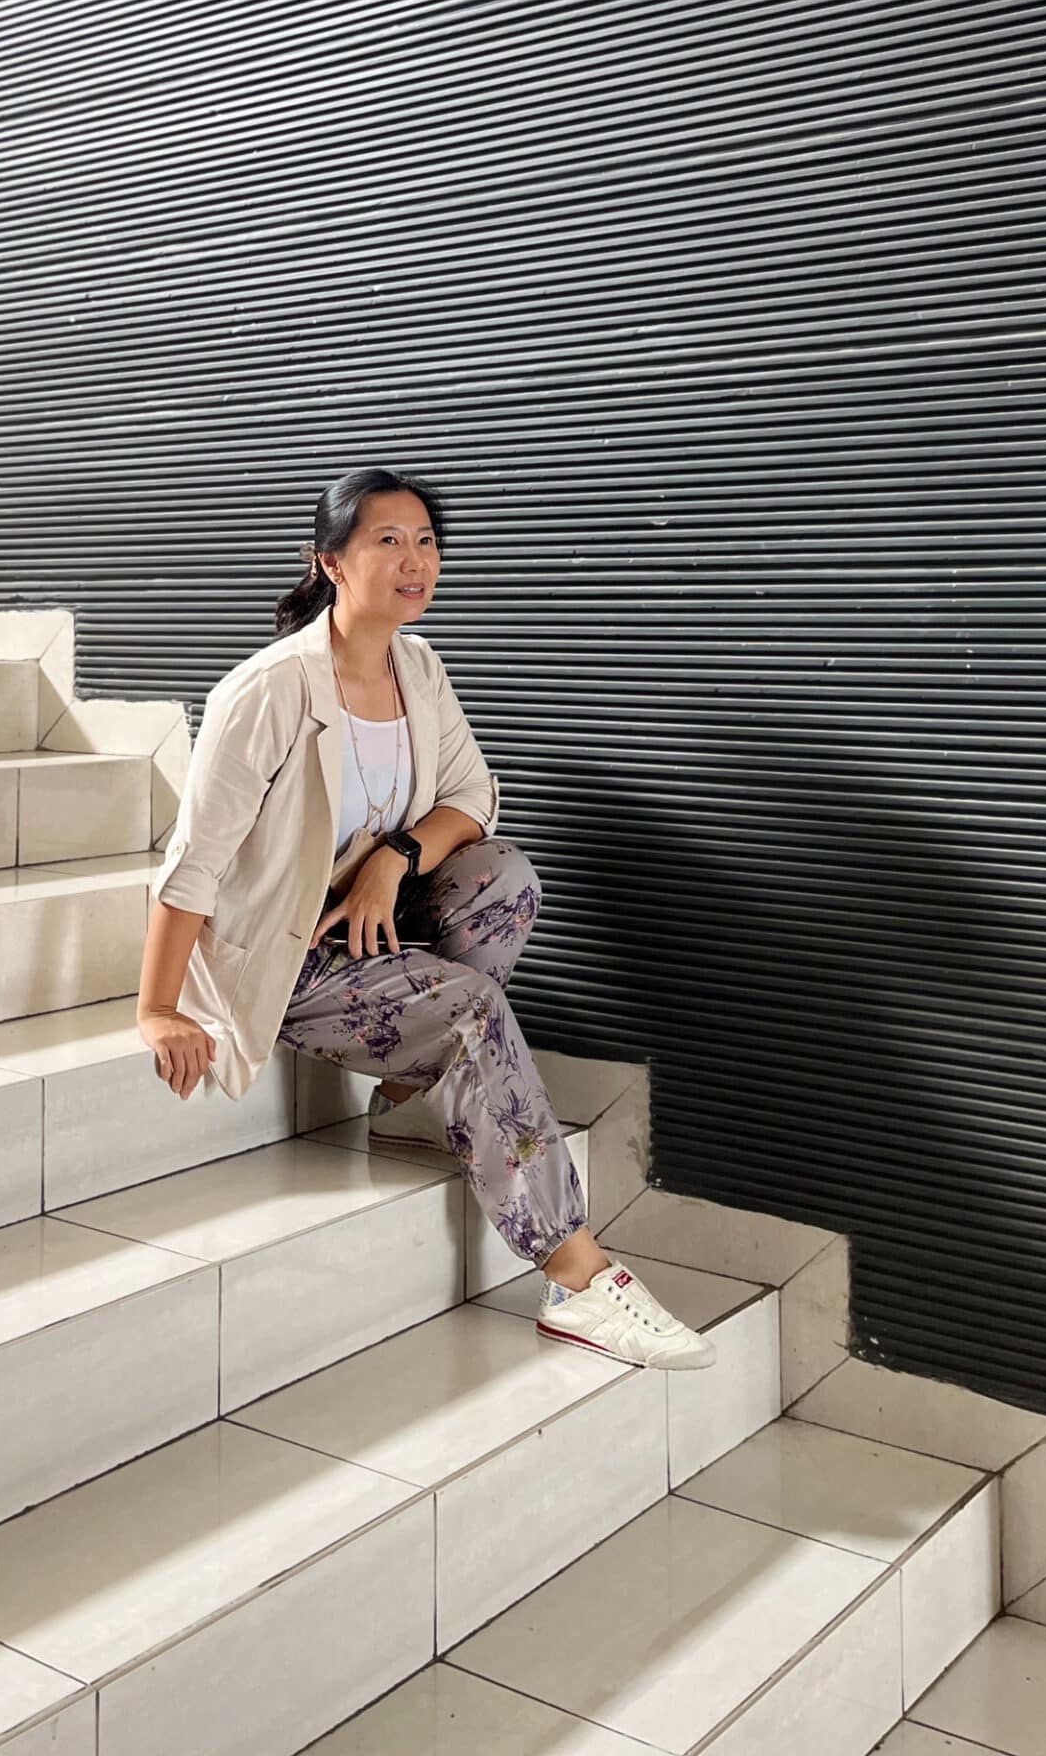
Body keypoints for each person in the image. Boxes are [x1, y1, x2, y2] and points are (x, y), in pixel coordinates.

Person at [136, 466, 713, 1370]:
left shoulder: (419, 666)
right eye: (388, 542)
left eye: (427, 542)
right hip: (288, 956)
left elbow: (472, 797)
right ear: (330, 562)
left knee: (502, 879)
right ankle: (576, 1278)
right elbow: (193, 863)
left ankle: (413, 1097)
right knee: (473, 1008)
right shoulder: (267, 691)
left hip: (374, 923)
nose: (416, 561)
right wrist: (159, 1008)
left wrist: (392, 861)